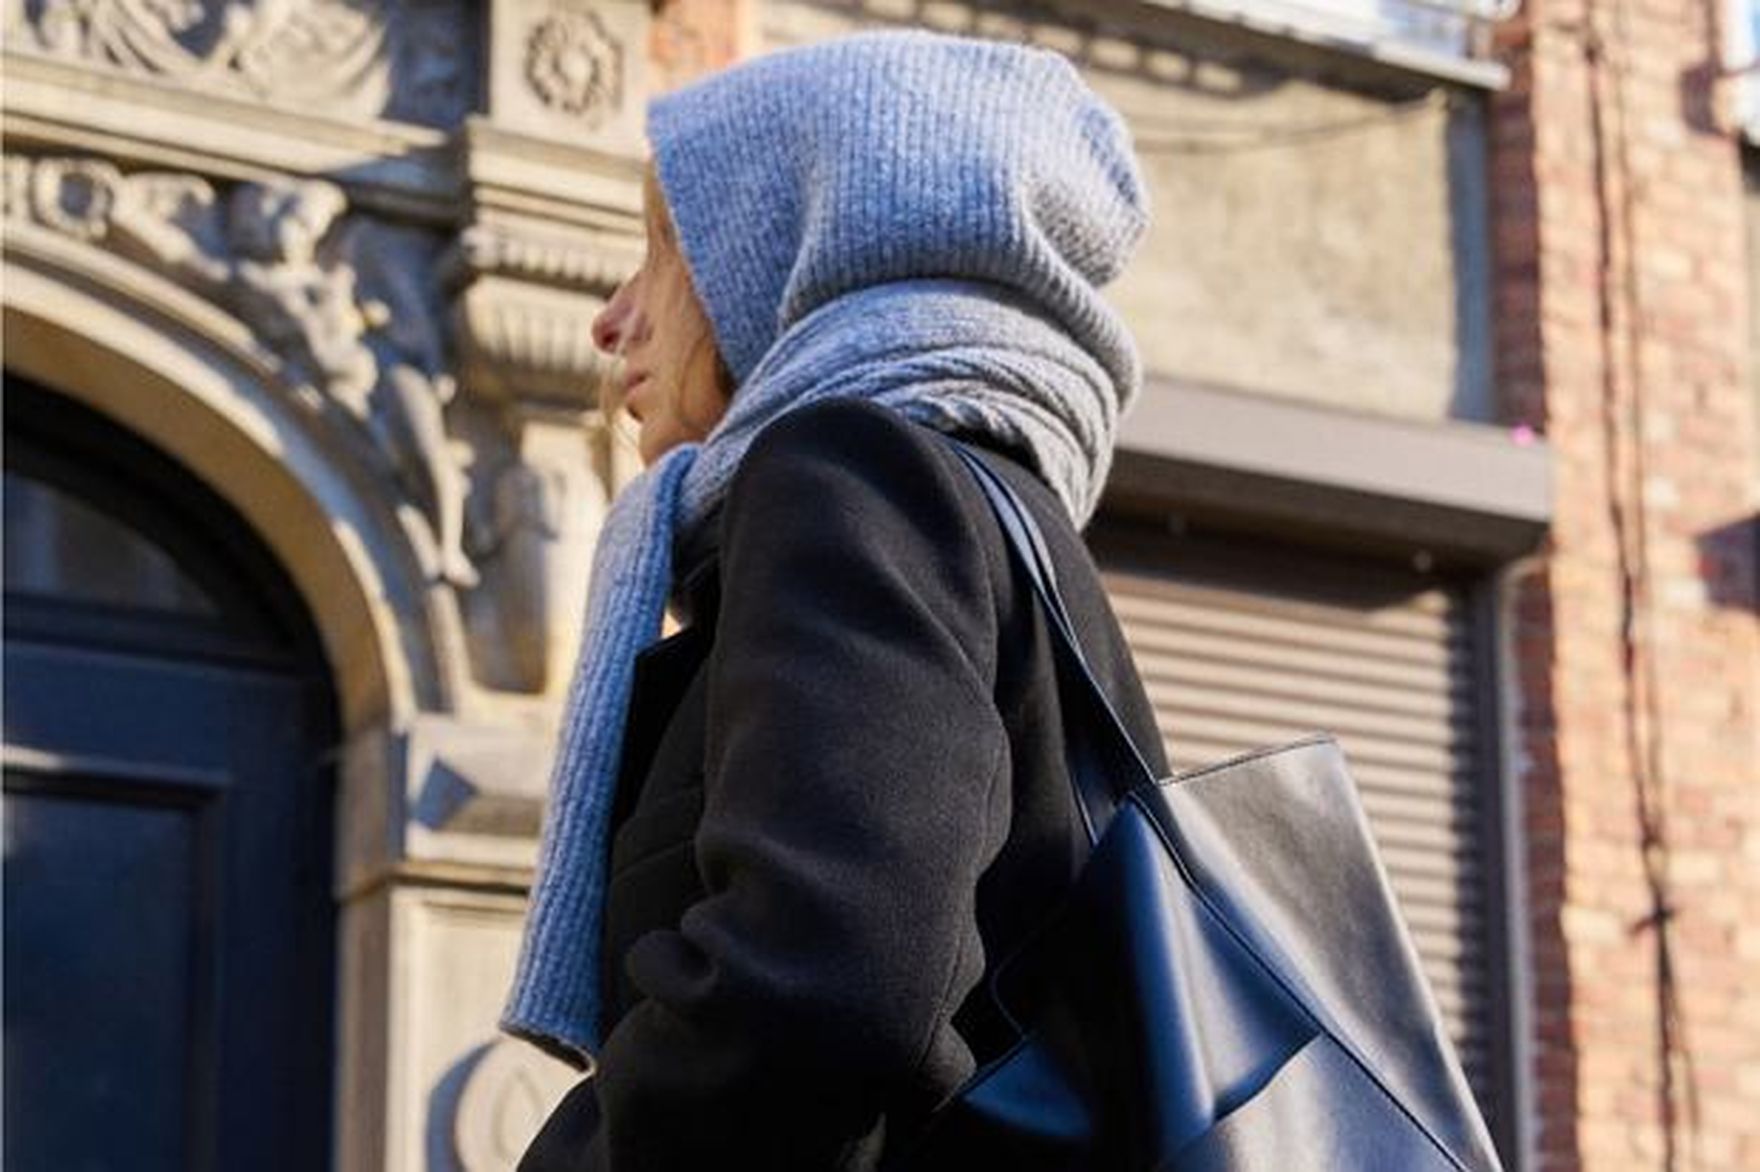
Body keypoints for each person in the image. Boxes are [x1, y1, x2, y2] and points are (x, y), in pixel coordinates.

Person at [502, 29, 1171, 1171]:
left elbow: (823, 977)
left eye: (662, 252)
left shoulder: (850, 476)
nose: (611, 321)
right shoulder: (975, 506)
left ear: (794, 251)